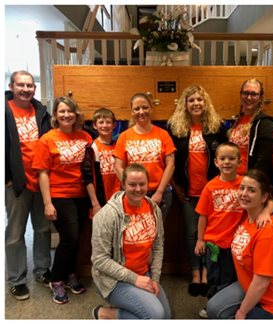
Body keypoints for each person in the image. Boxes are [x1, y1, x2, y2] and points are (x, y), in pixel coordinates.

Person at [205, 169, 273, 319]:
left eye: (251, 190)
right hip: (250, 283)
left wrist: (242, 312)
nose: (244, 193)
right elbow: (270, 200)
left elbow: (261, 282)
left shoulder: (267, 234)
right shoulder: (248, 214)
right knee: (213, 308)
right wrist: (267, 210)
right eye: (242, 188)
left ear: (263, 197)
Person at [168, 85, 228, 297]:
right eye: (191, 100)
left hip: (212, 194)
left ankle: (208, 273)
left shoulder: (217, 127)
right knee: (192, 235)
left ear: (206, 103)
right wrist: (175, 188)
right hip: (188, 194)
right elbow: (170, 162)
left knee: (210, 236)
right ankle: (195, 273)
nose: (196, 104)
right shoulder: (176, 129)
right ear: (185, 104)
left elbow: (226, 158)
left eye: (199, 100)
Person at [32, 96, 93, 304]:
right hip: (59, 195)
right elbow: (42, 173)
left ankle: (69, 274)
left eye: (70, 111)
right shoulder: (47, 139)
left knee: (77, 239)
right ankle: (56, 279)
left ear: (75, 114)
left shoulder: (85, 137)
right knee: (70, 238)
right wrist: (48, 203)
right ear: (56, 116)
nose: (66, 115)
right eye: (61, 111)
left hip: (82, 195)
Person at [90, 163, 171, 319]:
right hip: (114, 279)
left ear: (148, 184)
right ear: (123, 184)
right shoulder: (108, 215)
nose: (138, 189)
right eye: (132, 184)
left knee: (166, 316)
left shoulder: (154, 209)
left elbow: (158, 246)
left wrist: (154, 278)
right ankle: (104, 314)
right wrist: (135, 279)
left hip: (142, 273)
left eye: (142, 184)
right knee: (156, 316)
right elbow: (99, 260)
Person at [5, 70, 53, 300]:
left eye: (29, 85)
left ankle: (42, 271)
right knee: (15, 233)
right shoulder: (5, 111)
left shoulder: (42, 112)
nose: (25, 89)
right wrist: (6, 176)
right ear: (11, 86)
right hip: (17, 183)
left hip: (41, 180)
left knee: (42, 229)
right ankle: (17, 279)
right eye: (20, 85)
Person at [114, 93, 176, 220]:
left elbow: (171, 164)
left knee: (157, 233)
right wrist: (129, 190)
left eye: (145, 107)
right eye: (137, 109)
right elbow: (118, 166)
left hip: (160, 193)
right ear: (132, 112)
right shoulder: (124, 136)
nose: (141, 112)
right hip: (133, 193)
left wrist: (159, 192)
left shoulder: (163, 134)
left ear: (151, 109)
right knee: (136, 233)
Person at [228, 78, 273, 178]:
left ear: (260, 98)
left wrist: (250, 182)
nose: (249, 97)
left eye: (254, 94)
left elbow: (264, 161)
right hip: (231, 180)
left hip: (250, 182)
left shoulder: (266, 124)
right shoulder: (235, 121)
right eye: (246, 93)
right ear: (240, 95)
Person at [82, 108, 121, 217]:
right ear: (95, 125)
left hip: (118, 199)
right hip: (100, 201)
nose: (105, 125)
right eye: (101, 122)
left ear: (114, 125)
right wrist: (95, 204)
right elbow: (87, 178)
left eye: (108, 122)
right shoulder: (92, 148)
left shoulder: (119, 146)